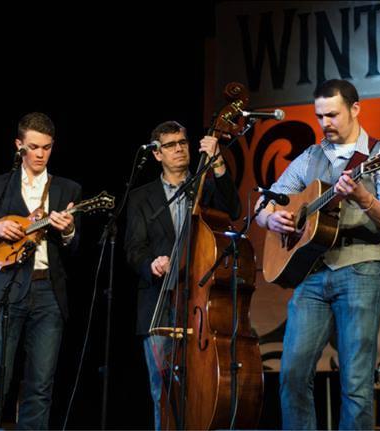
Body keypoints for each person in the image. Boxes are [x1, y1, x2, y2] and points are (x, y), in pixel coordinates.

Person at [255, 79, 380, 429]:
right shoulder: (310, 157)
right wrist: (271, 218)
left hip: (361, 270)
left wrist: (363, 197)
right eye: (319, 116)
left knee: (355, 383)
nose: (325, 123)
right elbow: (268, 201)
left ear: (355, 109)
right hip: (313, 274)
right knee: (292, 375)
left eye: (333, 115)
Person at [0, 112, 81, 429]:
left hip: (48, 295)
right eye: (33, 147)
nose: (40, 154)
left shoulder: (67, 189)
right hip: (5, 289)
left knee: (39, 388)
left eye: (47, 147)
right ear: (19, 146)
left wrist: (68, 231)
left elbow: (76, 248)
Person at [124, 120, 241, 429]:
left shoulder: (205, 185)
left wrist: (217, 165)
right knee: (162, 391)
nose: (179, 149)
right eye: (170, 145)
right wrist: (151, 263)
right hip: (159, 302)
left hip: (202, 303)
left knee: (206, 389)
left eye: (183, 142)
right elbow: (134, 248)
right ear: (157, 154)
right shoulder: (140, 197)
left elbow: (234, 210)